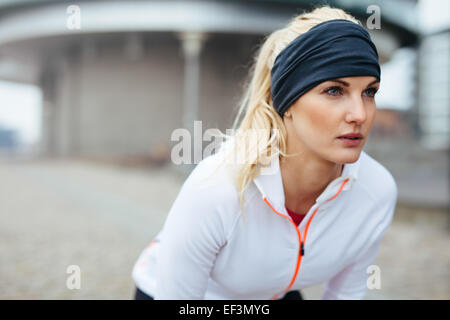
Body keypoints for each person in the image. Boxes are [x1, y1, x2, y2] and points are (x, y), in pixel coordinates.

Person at [131, 5, 398, 300]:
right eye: (334, 90)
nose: (360, 114)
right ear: (287, 103)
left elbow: (345, 296)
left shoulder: (377, 192)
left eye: (369, 92)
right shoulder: (217, 188)